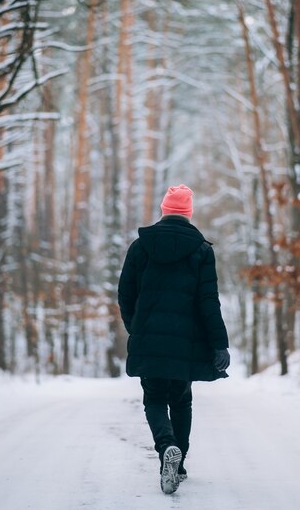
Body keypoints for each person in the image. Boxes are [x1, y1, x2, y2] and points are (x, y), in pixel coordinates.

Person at [118, 184, 230, 495]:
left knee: (154, 398)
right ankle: (178, 466)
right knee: (181, 401)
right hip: (185, 344)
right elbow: (209, 301)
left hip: (149, 339)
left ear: (165, 211)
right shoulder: (202, 250)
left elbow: (125, 294)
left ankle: (166, 446)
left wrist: (135, 326)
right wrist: (220, 344)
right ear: (188, 214)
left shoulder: (140, 247)